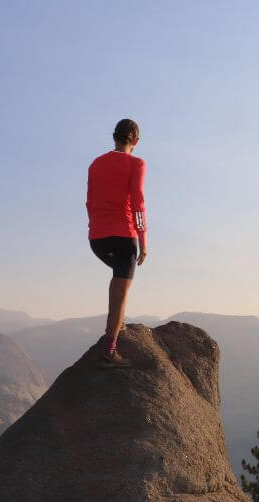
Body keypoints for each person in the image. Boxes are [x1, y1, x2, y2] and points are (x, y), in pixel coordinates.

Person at [86, 118, 148, 368]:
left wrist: (95, 227)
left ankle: (117, 324)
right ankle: (110, 350)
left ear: (114, 137)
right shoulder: (137, 163)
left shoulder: (95, 164)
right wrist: (143, 241)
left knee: (117, 280)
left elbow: (89, 201)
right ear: (135, 140)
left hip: (98, 240)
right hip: (124, 237)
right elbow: (138, 205)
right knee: (119, 294)